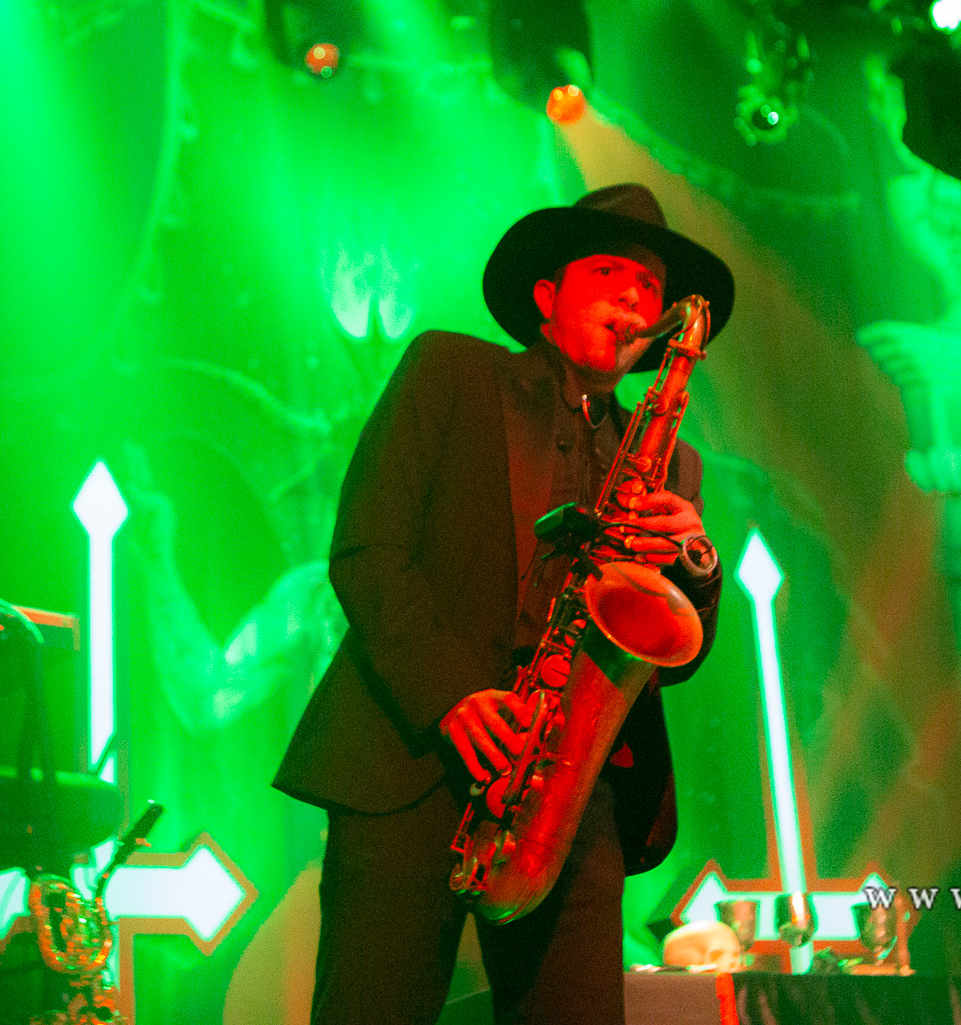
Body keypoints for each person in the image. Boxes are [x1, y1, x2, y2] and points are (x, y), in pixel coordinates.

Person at [275, 184, 736, 1025]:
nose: (636, 298)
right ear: (546, 296)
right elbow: (368, 552)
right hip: (415, 764)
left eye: (651, 285)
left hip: (570, 794)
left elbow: (677, 652)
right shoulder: (448, 370)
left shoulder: (674, 463)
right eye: (609, 273)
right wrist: (454, 694)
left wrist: (697, 563)